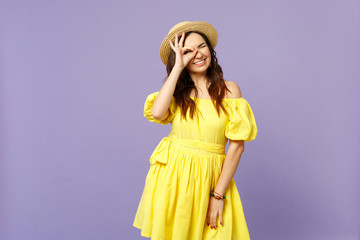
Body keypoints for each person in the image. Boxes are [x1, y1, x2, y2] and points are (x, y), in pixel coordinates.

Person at [133, 21, 258, 240]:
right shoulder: (177, 93)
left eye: (201, 46)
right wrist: (178, 68)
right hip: (174, 177)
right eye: (188, 51)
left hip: (212, 178)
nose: (197, 54)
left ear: (210, 49)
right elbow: (158, 113)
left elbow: (237, 147)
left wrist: (217, 195)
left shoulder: (229, 90)